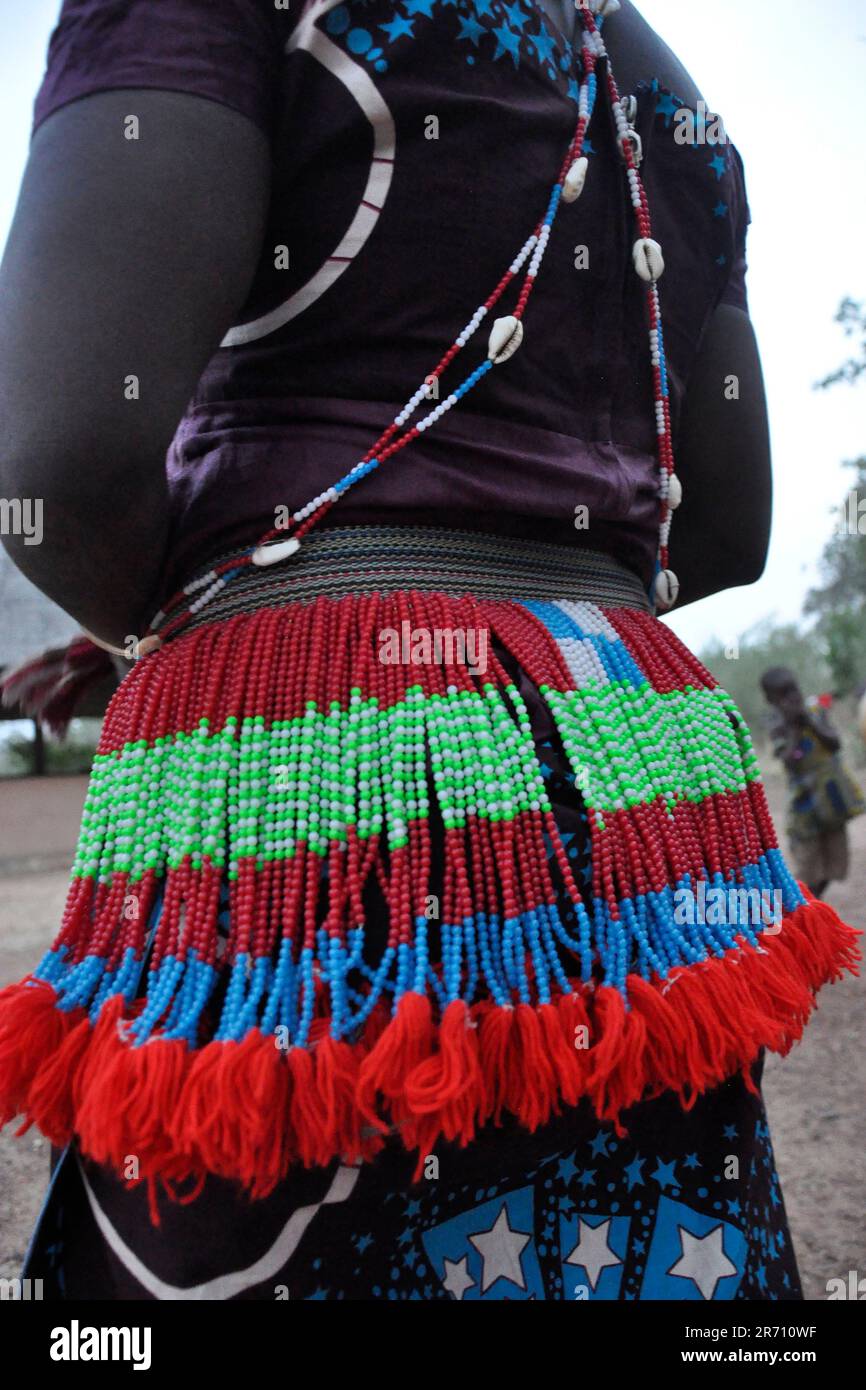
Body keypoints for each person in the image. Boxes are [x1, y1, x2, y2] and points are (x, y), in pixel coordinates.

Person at [0, 0, 858, 1302]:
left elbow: (56, 475)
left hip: (333, 777)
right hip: (632, 767)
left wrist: (200, 618)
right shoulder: (664, 92)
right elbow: (728, 530)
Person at [761, 667, 864, 899]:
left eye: (793, 690)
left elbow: (834, 743)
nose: (792, 698)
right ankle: (804, 907)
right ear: (771, 700)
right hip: (805, 806)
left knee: (834, 862)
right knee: (807, 865)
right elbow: (790, 761)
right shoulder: (776, 725)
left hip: (833, 800)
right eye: (783, 694)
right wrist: (795, 729)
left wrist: (809, 722)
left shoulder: (815, 711)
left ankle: (813, 902)